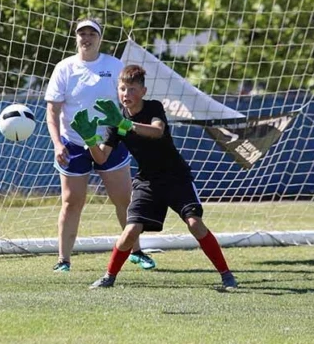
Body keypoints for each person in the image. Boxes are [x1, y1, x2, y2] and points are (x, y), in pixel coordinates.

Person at [69, 64, 238, 290]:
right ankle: (108, 277)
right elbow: (101, 158)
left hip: (176, 177)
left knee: (194, 223)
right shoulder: (115, 121)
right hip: (148, 181)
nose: (126, 94)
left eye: (131, 89)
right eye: (122, 89)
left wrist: (125, 124)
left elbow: (157, 131)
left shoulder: (153, 108)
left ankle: (227, 275)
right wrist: (89, 139)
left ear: (143, 91)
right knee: (130, 231)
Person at [44, 18, 155, 272]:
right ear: (76, 38)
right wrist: (57, 144)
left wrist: (129, 130)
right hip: (74, 144)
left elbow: (128, 100)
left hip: (110, 142)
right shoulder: (64, 69)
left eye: (91, 33)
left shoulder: (114, 66)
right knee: (72, 202)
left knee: (124, 199)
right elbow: (52, 112)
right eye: (81, 33)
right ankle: (63, 260)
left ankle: (137, 252)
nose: (86, 38)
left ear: (100, 38)